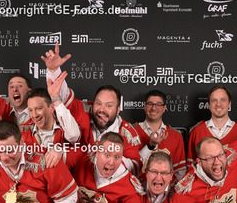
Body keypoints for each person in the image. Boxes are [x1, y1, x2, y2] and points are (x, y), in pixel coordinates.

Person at [41, 44, 143, 174]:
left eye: (109, 106)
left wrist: (107, 155)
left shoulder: (127, 133)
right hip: (77, 180)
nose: (102, 109)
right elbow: (63, 97)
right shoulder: (84, 110)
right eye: (98, 103)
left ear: (118, 110)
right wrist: (54, 71)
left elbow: (135, 166)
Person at [19, 72, 81, 168]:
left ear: (52, 108)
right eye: (30, 110)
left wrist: (60, 150)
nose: (34, 115)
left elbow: (73, 135)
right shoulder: (21, 131)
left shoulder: (65, 129)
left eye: (38, 108)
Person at [134, 90, 186, 181]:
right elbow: (129, 167)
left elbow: (180, 172)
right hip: (138, 187)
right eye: (150, 104)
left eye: (158, 104)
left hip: (167, 189)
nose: (154, 108)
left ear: (164, 108)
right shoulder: (131, 132)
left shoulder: (176, 136)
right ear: (144, 106)